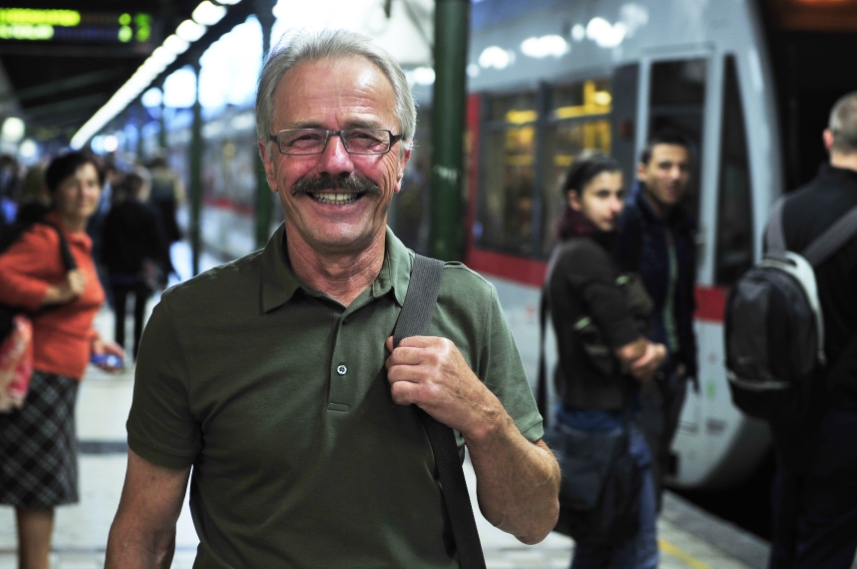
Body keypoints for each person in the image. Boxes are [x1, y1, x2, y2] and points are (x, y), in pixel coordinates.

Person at [105, 29, 560, 568]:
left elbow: (532, 522)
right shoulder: (188, 320)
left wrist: (483, 416)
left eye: (366, 136)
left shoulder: (467, 302)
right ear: (269, 162)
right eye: (304, 137)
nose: (337, 162)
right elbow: (145, 538)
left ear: (402, 161)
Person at [0, 151, 124, 569]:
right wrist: (50, 293)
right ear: (52, 191)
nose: (83, 192)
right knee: (39, 492)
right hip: (40, 381)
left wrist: (92, 340)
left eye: (91, 183)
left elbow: (69, 313)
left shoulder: (77, 242)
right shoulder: (45, 240)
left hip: (58, 380)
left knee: (41, 491)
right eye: (72, 183)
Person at [546, 153, 666, 568]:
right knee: (639, 551)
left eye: (618, 194)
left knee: (598, 545)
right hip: (606, 424)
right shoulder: (587, 258)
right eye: (602, 195)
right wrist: (661, 352)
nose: (616, 205)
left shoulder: (570, 251)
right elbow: (634, 354)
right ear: (575, 199)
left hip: (583, 415)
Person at [766, 92, 857, 569]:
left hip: (787, 409)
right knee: (828, 544)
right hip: (846, 417)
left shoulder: (782, 213)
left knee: (785, 531)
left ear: (828, 139)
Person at [613, 130, 698, 505]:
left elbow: (683, 300)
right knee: (640, 477)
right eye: (665, 165)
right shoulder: (627, 222)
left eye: (683, 167)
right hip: (643, 371)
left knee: (654, 470)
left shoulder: (680, 226)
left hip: (673, 369)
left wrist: (683, 363)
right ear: (643, 171)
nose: (675, 175)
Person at [101, 170, 173, 360]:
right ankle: (137, 355)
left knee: (120, 314)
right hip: (142, 272)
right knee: (140, 312)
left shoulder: (115, 210)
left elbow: (105, 240)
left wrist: (105, 264)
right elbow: (159, 244)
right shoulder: (149, 211)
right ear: (141, 188)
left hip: (118, 270)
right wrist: (165, 272)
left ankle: (118, 354)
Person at [147, 155, 184, 244]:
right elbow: (178, 190)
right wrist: (178, 202)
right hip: (169, 205)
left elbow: (148, 192)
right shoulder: (171, 174)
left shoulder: (151, 174)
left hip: (156, 205)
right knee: (169, 226)